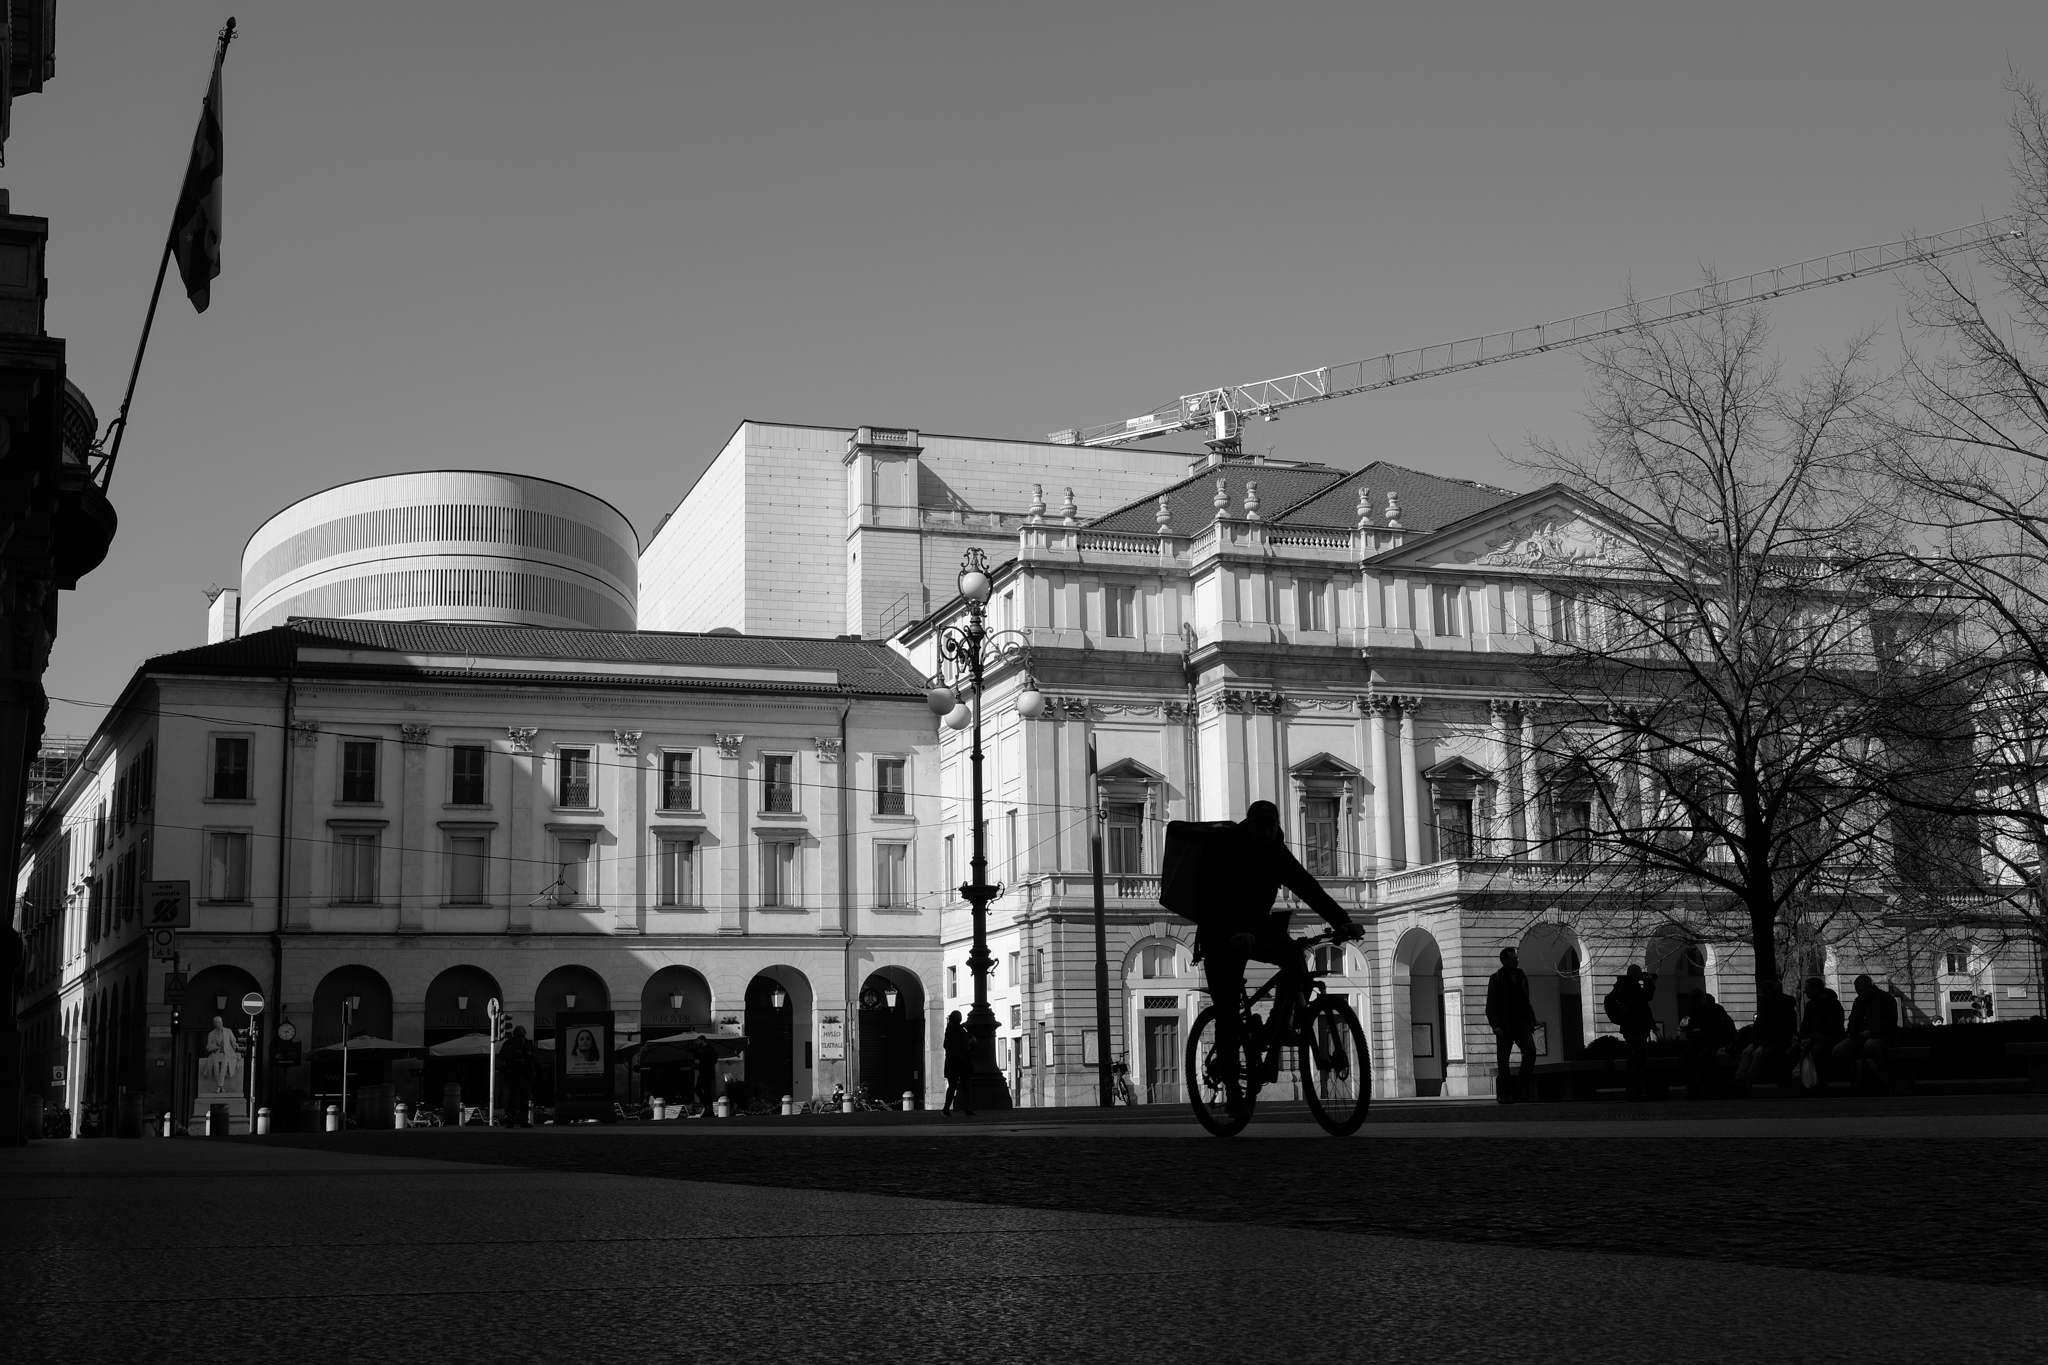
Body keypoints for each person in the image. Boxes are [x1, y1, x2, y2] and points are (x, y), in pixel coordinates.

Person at [1161, 801, 1363, 1092]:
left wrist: (1342, 921)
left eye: (1271, 826)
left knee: (1294, 957)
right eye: (1261, 825)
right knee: (1228, 1012)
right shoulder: (1227, 846)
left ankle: (1277, 1026)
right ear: (1250, 825)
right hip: (1221, 933)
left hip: (1257, 928)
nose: (1267, 832)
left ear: (1277, 826)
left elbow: (1307, 887)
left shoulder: (1276, 851)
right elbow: (1217, 893)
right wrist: (1235, 931)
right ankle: (1233, 1092)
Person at [1485, 947, 1539, 1104]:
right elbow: (1491, 1005)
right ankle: (1505, 1093)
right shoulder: (1496, 978)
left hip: (1521, 1023)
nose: (1517, 961)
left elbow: (1526, 1001)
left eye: (1516, 958)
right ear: (1504, 961)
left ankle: (1520, 1091)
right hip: (1505, 1025)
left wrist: (1531, 1020)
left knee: (1530, 1052)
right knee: (1503, 1060)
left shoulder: (1521, 976)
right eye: (1513, 959)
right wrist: (1495, 1025)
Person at [1832, 974, 1898, 1094]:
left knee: (1870, 1046)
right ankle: (1856, 1081)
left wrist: (1870, 1032)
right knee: (1838, 1051)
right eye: (1858, 991)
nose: (1859, 994)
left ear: (1870, 987)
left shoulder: (1886, 999)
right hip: (1864, 1035)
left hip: (1882, 1036)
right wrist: (1852, 1032)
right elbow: (1853, 1020)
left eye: (1861, 991)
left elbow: (1889, 1023)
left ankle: (1884, 1081)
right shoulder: (1860, 1001)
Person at [1603, 965, 1657, 1100]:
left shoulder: (1621, 985)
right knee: (1639, 1060)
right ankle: (1636, 1091)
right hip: (1636, 1027)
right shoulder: (1631, 986)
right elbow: (1647, 996)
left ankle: (1631, 1091)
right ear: (1637, 974)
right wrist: (1648, 982)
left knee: (1632, 1059)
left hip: (1628, 1027)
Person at [1678, 988, 1737, 1099]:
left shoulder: (1714, 1010)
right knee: (1684, 1060)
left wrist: (1701, 1031)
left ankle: (1703, 1091)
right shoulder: (1700, 1010)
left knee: (1701, 1058)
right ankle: (1700, 1091)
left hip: (1715, 1041)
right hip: (1705, 1041)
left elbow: (1723, 1030)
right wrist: (1692, 1032)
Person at [1795, 976, 1846, 1095]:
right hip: (1816, 1038)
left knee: (1816, 1051)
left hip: (1829, 1039)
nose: (1805, 991)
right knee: (1793, 1052)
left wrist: (1808, 1039)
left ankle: (1816, 1084)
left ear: (1815, 990)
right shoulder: (1811, 1005)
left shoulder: (1832, 1004)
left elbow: (1831, 1027)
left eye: (1807, 989)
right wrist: (1803, 1038)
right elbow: (1805, 1024)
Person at [499, 1025, 537, 1127]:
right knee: (513, 1099)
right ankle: (511, 1120)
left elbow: (537, 1056)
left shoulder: (528, 1043)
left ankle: (523, 1120)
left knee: (524, 1099)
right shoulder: (509, 1043)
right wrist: (514, 1054)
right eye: (518, 1036)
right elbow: (502, 1055)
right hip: (514, 1074)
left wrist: (529, 1054)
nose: (521, 1039)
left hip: (526, 1075)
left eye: (522, 1036)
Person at [941, 1010, 974, 1116]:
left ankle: (967, 1108)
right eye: (958, 1017)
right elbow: (949, 1047)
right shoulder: (951, 1031)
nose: (960, 1018)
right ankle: (947, 1108)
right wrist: (960, 1056)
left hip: (960, 1062)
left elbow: (963, 1045)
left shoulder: (960, 1030)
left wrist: (970, 1044)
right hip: (955, 1063)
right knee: (954, 1086)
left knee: (964, 1085)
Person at [691, 1037, 721, 1117]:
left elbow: (706, 1062)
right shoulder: (708, 1049)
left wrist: (699, 1066)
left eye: (698, 1041)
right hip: (708, 1072)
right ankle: (709, 1109)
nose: (697, 1042)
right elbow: (696, 1056)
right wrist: (695, 1048)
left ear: (702, 1040)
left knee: (698, 1089)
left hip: (706, 1072)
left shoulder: (707, 1050)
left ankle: (707, 1106)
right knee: (707, 1091)